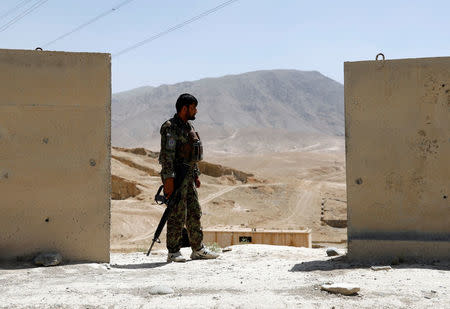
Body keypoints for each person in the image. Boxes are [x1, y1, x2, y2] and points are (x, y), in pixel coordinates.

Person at [159, 93, 219, 262]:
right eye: (193, 107)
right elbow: (167, 157)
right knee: (177, 213)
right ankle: (173, 251)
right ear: (184, 108)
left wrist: (196, 175)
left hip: (189, 178)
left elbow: (192, 154)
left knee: (194, 212)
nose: (196, 111)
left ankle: (198, 249)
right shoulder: (170, 127)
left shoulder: (188, 127)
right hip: (177, 178)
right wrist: (169, 180)